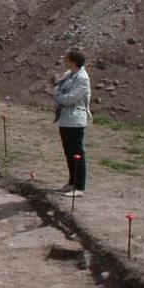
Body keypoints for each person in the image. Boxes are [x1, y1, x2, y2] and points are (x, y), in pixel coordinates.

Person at [53, 49, 93, 198]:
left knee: (77, 153)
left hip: (75, 119)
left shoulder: (82, 78)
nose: (64, 60)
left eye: (66, 58)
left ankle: (79, 186)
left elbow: (70, 98)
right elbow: (58, 88)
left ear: (73, 61)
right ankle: (71, 182)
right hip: (65, 119)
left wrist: (58, 96)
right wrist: (59, 94)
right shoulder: (69, 75)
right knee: (68, 153)